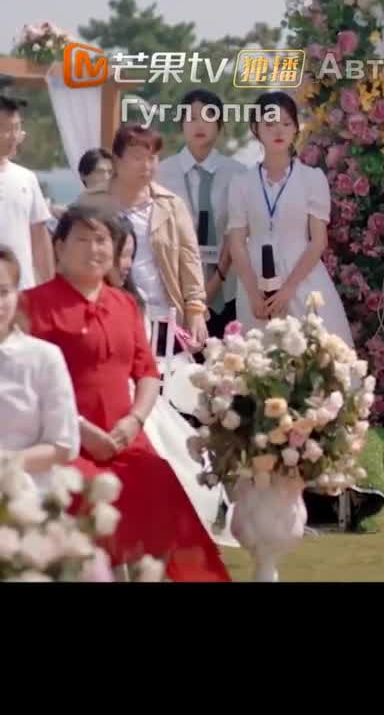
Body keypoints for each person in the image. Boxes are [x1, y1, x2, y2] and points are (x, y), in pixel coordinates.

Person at [20, 203, 231, 581]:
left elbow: (146, 372)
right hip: (62, 440)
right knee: (91, 503)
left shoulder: (124, 304)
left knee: (161, 490)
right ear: (59, 247)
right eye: (82, 240)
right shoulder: (33, 305)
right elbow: (28, 385)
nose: (93, 249)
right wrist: (83, 431)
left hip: (124, 439)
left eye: (102, 240)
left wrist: (134, 421)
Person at [109, 218, 236, 547]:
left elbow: (144, 367)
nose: (126, 263)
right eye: (120, 254)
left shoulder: (133, 302)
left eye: (130, 255)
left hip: (138, 401)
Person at [226, 91, 352, 345]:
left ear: (296, 128)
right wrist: (252, 292)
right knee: (259, 357)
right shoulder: (241, 183)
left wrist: (288, 289)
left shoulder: (311, 178)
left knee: (318, 351)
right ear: (255, 128)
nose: (278, 131)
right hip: (256, 283)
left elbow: (318, 241)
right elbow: (236, 242)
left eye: (286, 123)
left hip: (304, 279)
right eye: (270, 124)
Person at [77, 124, 209, 356]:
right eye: (138, 158)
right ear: (117, 160)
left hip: (162, 318)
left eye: (152, 158)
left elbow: (189, 259)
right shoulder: (90, 202)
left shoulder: (171, 205)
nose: (147, 166)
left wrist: (195, 309)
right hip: (105, 314)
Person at [157, 89, 248, 340]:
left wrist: (216, 280)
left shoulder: (238, 174)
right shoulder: (162, 173)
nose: (199, 124)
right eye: (192, 117)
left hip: (226, 290)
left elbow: (237, 232)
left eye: (208, 117)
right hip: (176, 291)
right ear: (181, 124)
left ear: (220, 125)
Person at [0, 246, 78, 477]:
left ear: (17, 294)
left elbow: (63, 445)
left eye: (3, 292)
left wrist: (6, 462)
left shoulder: (44, 358)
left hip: (24, 492)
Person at [0, 93, 53, 289]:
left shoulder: (26, 178)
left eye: (16, 127)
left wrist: (48, 287)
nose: (14, 136)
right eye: (5, 129)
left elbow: (39, 236)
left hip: (21, 291)